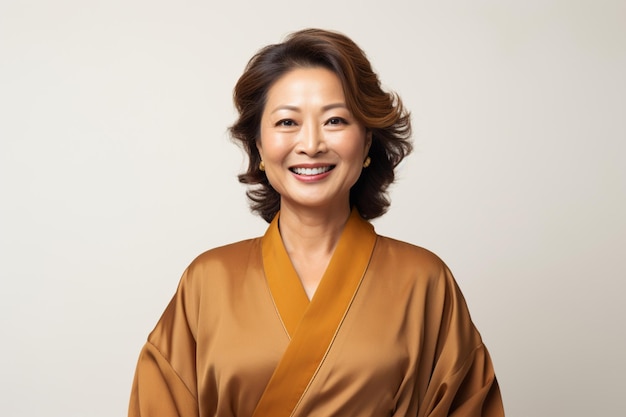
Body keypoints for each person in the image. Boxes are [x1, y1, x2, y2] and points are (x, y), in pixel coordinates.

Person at [128, 28, 504, 417]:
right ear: (257, 144)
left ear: (367, 141)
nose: (311, 144)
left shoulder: (424, 280)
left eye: (336, 120)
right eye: (287, 122)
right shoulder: (207, 281)